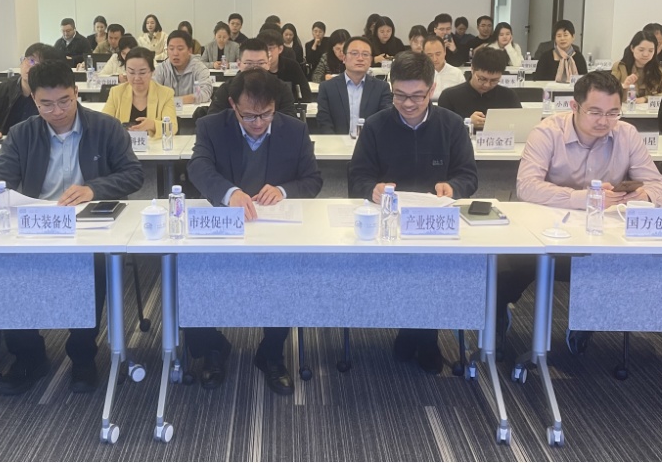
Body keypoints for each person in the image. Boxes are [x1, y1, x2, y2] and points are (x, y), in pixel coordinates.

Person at [0, 61, 143, 396]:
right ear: (34, 101)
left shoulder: (105, 127)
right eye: (46, 104)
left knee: (93, 269)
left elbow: (133, 174)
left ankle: (83, 355)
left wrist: (93, 189)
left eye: (65, 101)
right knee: (9, 270)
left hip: (87, 224)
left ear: (76, 92)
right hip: (36, 223)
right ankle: (28, 357)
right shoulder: (22, 132)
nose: (57, 111)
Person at [504, 71, 662, 354]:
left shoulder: (626, 134)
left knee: (623, 263)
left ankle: (587, 318)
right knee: (511, 264)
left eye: (613, 113)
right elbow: (527, 187)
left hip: (602, 233)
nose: (604, 121)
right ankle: (498, 313)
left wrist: (642, 195)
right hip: (549, 229)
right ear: (574, 106)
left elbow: (660, 187)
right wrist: (587, 198)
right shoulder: (547, 132)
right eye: (595, 112)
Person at [186, 69, 322, 395]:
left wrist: (284, 190)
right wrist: (229, 192)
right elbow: (198, 167)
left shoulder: (294, 130)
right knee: (188, 272)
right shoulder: (211, 126)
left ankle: (271, 353)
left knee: (281, 277)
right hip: (225, 228)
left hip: (273, 231)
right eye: (249, 115)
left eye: (266, 114)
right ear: (233, 105)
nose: (258, 123)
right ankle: (213, 347)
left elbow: (313, 179)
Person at [348, 51, 478, 374]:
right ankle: (411, 330)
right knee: (401, 271)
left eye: (417, 96)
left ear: (432, 89)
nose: (407, 104)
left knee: (433, 271)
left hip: (436, 223)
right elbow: (357, 177)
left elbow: (468, 176)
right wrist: (373, 189)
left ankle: (425, 336)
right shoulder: (376, 125)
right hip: (390, 224)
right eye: (400, 95)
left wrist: (453, 187)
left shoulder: (451, 125)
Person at [0, 43, 64, 136]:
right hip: (3, 144)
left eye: (40, 64)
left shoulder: (53, 96)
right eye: (31, 60)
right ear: (22, 62)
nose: (33, 67)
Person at [316, 36, 392, 134]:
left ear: (370, 60)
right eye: (354, 53)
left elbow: (384, 121)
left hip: (371, 142)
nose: (360, 58)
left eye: (365, 54)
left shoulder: (382, 88)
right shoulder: (327, 87)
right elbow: (324, 122)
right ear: (344, 58)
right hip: (336, 142)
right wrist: (335, 142)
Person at [206, 40, 296, 117]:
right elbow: (213, 121)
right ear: (239, 64)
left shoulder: (281, 89)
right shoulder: (226, 90)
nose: (255, 69)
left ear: (268, 64)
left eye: (260, 63)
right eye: (249, 64)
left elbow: (290, 122)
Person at [437, 48, 521, 130]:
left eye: (494, 80)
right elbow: (441, 128)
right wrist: (467, 123)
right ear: (472, 69)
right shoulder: (449, 96)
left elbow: (519, 124)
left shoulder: (509, 96)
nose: (487, 85)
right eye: (482, 79)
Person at [103, 47, 178, 137]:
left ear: (152, 72)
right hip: (122, 144)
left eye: (142, 73)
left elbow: (172, 127)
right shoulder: (116, 92)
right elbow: (103, 124)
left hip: (153, 145)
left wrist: (152, 125)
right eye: (131, 72)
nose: (137, 78)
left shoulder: (165, 94)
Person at [152, 30, 213, 105]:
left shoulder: (199, 68)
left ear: (189, 50)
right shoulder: (162, 69)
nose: (175, 53)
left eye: (180, 49)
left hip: (193, 112)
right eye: (171, 49)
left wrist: (175, 101)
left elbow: (205, 93)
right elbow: (152, 93)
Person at [611, 31, 662, 101]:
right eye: (641, 50)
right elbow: (609, 92)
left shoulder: (658, 69)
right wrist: (623, 86)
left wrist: (645, 99)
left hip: (649, 108)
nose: (645, 54)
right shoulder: (620, 67)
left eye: (650, 51)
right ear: (632, 48)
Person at [260, 29, 312, 103]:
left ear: (280, 49)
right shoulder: (255, 68)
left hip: (288, 107)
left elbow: (306, 93)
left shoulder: (292, 66)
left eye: (270, 48)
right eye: (262, 49)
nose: (267, 53)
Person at [422, 37, 465, 101]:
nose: (435, 59)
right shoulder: (419, 75)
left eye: (438, 54)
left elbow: (464, 98)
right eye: (430, 55)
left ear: (445, 52)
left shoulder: (457, 73)